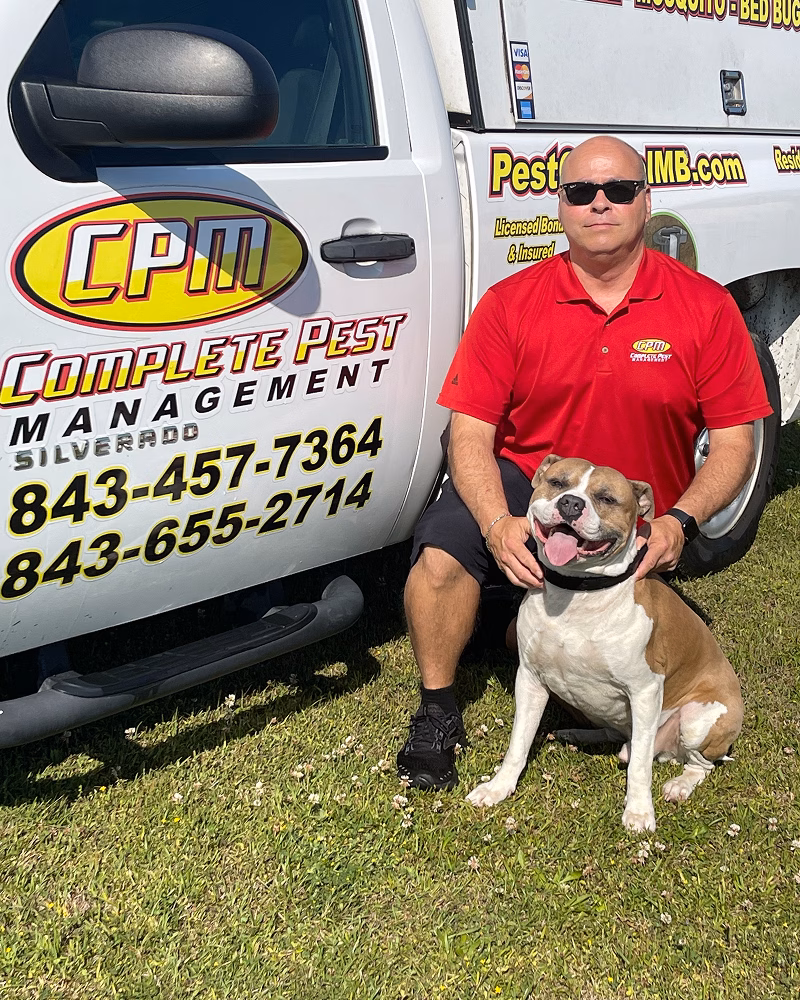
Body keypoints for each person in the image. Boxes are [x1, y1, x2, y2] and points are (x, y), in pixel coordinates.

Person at [396, 135, 772, 791]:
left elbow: (737, 440)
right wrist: (493, 524)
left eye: (619, 190)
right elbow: (469, 434)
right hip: (536, 481)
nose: (600, 204)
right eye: (581, 192)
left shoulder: (705, 308)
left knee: (586, 663)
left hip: (628, 500)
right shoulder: (510, 303)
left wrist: (680, 521)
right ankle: (437, 712)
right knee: (439, 557)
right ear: (561, 205)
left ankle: (507, 630)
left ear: (645, 201)